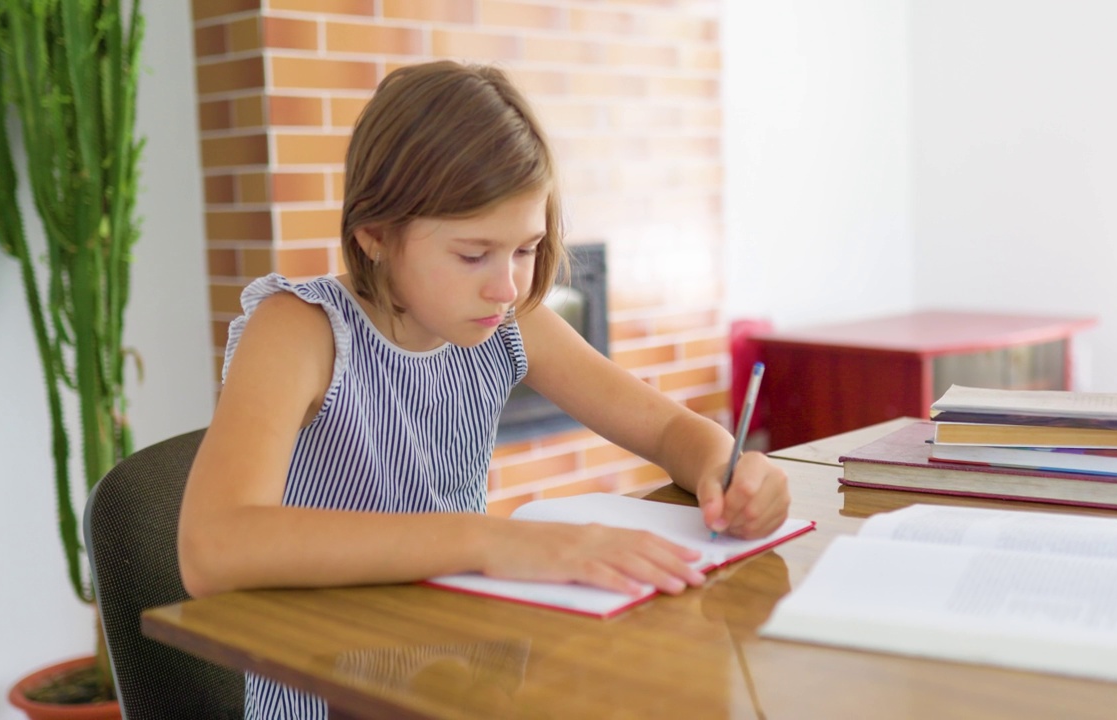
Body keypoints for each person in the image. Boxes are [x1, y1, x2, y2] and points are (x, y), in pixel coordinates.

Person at [179, 60, 790, 719]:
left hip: (466, 677)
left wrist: (729, 471)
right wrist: (490, 540)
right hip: (332, 691)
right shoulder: (300, 330)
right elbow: (212, 548)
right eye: (474, 255)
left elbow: (669, 429)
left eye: (525, 250)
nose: (507, 286)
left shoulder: (511, 322)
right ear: (375, 234)